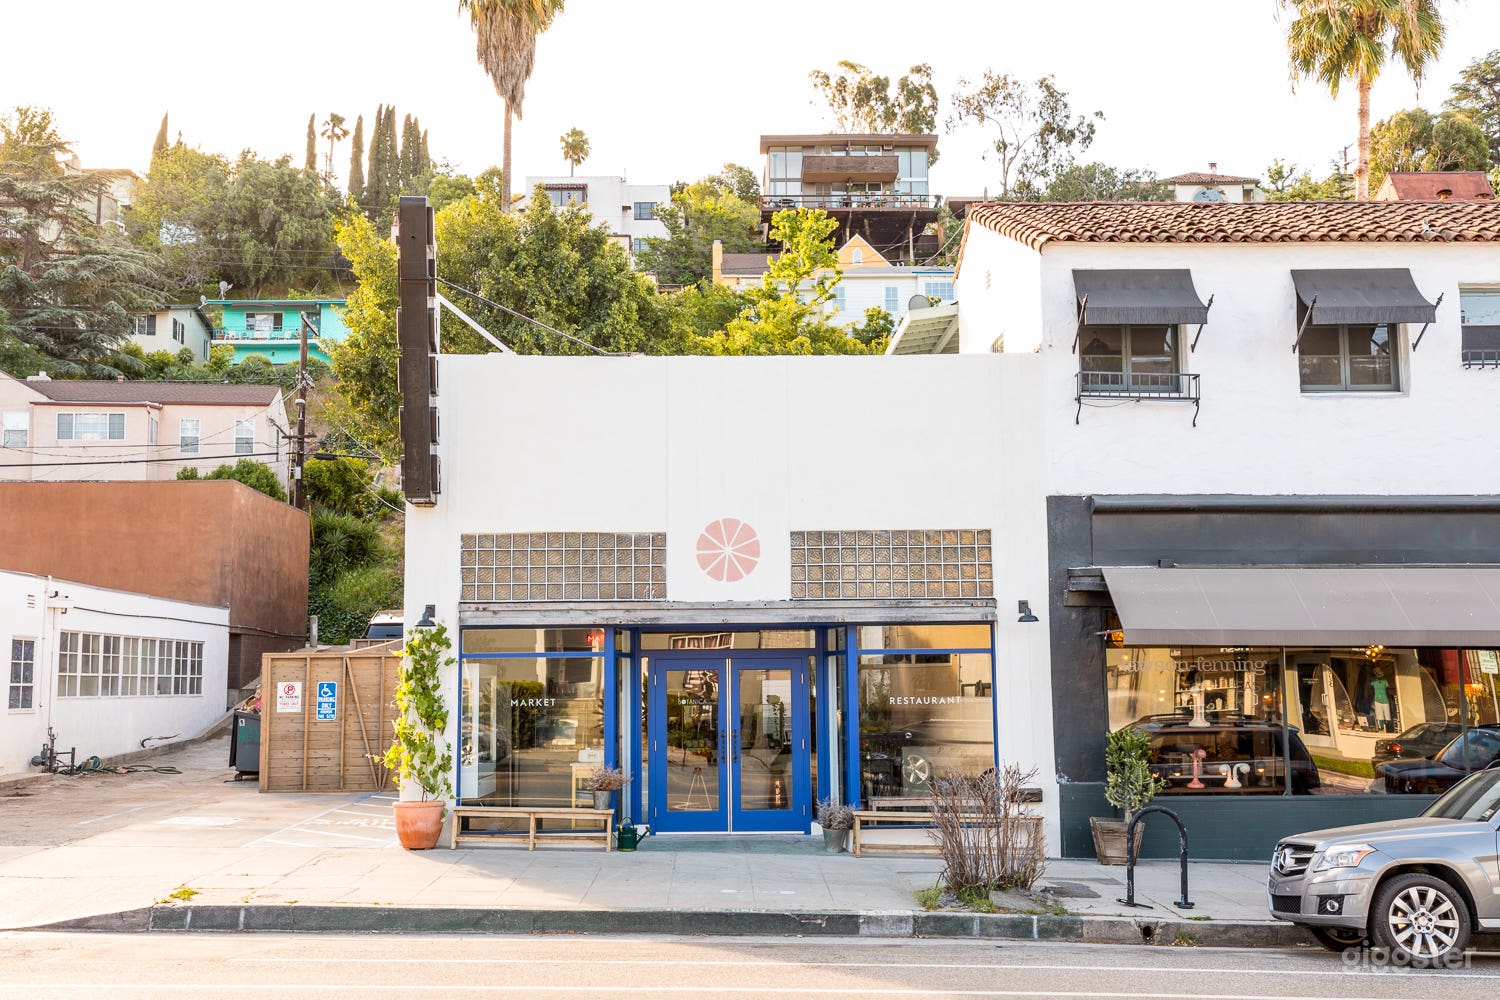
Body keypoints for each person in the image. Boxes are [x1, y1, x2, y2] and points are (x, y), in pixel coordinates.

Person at [1370, 667, 1393, 733]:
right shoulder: (1373, 680)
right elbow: (1371, 689)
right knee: (1380, 716)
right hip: (1377, 699)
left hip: (1385, 700)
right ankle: (1382, 729)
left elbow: (1387, 690)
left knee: (1387, 715)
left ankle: (1388, 729)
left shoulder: (1384, 680)